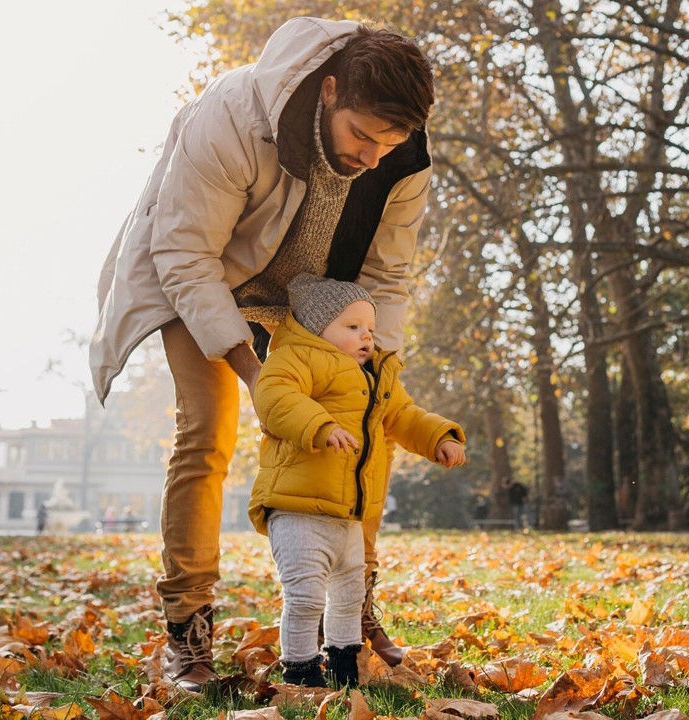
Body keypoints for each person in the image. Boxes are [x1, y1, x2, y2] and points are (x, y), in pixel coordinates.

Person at [88, 17, 436, 691]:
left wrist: (376, 372)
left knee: (369, 430)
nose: (371, 155)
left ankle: (352, 610)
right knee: (207, 432)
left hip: (313, 295)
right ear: (329, 91)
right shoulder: (232, 115)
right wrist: (254, 370)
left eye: (387, 142)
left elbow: (387, 276)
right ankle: (187, 630)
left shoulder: (402, 159)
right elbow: (184, 254)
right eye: (360, 135)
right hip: (204, 273)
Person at [248, 274, 466, 687]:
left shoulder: (377, 375)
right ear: (317, 329)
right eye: (352, 327)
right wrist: (320, 425)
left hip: (349, 512)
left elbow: (404, 416)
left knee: (349, 595)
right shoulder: (295, 358)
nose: (366, 336)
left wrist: (438, 435)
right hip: (297, 509)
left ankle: (346, 669)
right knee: (306, 595)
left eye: (369, 328)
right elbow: (275, 397)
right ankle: (300, 674)